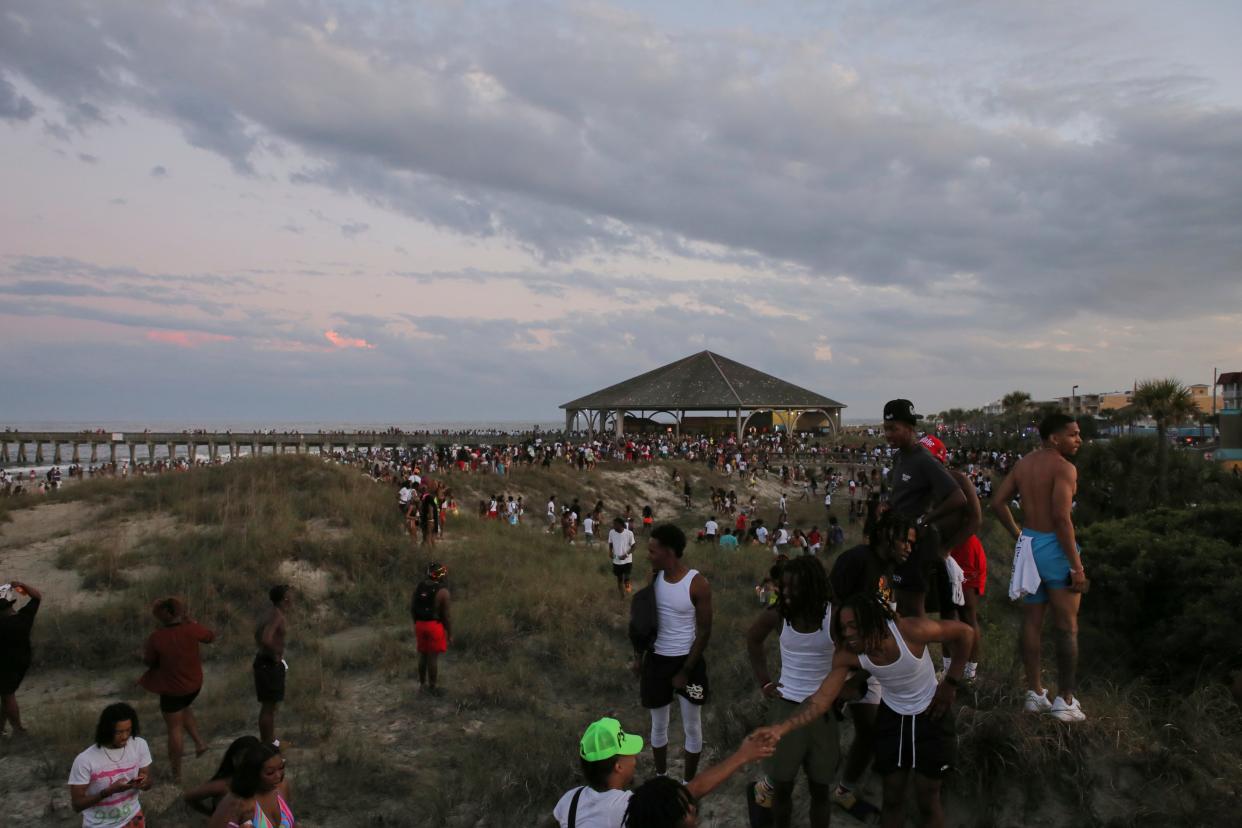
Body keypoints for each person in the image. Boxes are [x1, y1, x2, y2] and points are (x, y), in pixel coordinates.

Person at [753, 594, 974, 828]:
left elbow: (965, 633)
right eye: (843, 627)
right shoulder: (849, 654)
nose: (847, 633)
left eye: (853, 626)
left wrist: (950, 683)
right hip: (893, 718)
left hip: (931, 713)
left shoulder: (910, 631)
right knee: (891, 796)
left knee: (927, 798)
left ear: (872, 622)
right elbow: (820, 701)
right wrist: (783, 727)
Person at [991, 412, 1087, 722]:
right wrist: (1077, 566)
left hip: (1029, 545)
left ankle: (1034, 693)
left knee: (1032, 621)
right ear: (1054, 438)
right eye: (1073, 434)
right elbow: (1061, 518)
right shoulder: (1064, 468)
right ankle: (1065, 700)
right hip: (1055, 549)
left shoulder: (1024, 464)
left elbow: (997, 503)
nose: (1079, 439)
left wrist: (1019, 535)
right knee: (1067, 626)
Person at [823, 510, 916, 818]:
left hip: (869, 664)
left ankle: (844, 791)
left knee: (870, 730)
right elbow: (832, 605)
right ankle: (779, 784)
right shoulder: (857, 559)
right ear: (888, 536)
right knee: (818, 727)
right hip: (842, 659)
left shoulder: (890, 571)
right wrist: (843, 668)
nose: (908, 548)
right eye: (905, 541)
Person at [745, 557, 838, 828]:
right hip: (786, 708)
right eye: (783, 587)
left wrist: (844, 689)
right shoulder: (778, 615)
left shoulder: (834, 615)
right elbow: (753, 639)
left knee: (820, 790)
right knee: (781, 787)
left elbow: (854, 657)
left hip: (823, 712)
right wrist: (764, 682)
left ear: (811, 586)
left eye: (793, 588)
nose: (785, 593)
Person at [635, 524, 712, 781]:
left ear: (668, 552)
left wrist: (685, 671)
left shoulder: (697, 584)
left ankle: (688, 783)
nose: (649, 555)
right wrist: (639, 657)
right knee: (658, 725)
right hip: (656, 661)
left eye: (652, 550)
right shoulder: (655, 578)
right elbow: (646, 620)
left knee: (692, 726)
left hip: (686, 662)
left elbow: (704, 632)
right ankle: (661, 777)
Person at [881, 400, 967, 618]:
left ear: (910, 429)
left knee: (914, 607)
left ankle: (922, 650)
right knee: (898, 603)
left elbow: (958, 497)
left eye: (893, 429)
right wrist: (887, 506)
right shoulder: (900, 456)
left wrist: (925, 519)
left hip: (917, 544)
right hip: (898, 539)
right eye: (885, 429)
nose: (888, 434)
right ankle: (906, 648)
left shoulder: (924, 460)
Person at [919, 435, 986, 679]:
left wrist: (948, 548)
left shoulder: (958, 479)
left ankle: (969, 672)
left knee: (967, 611)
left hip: (963, 549)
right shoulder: (922, 484)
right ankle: (948, 668)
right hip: (938, 551)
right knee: (947, 611)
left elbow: (976, 519)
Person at [137, 597, 215, 781]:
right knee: (184, 707)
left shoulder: (157, 638)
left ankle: (176, 775)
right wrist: (194, 623)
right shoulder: (191, 629)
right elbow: (210, 636)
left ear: (162, 616)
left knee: (174, 728)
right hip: (194, 684)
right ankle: (199, 743)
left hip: (172, 688)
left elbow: (149, 662)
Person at [621, 735, 774, 828]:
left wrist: (742, 755)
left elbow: (694, 789)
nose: (693, 807)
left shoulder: (646, 814)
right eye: (685, 811)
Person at [68, 702, 153, 828]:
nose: (125, 736)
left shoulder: (139, 745)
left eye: (128, 730)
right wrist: (108, 792)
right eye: (119, 732)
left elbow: (147, 780)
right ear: (106, 730)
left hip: (134, 819)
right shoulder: (85, 760)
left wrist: (144, 783)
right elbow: (77, 805)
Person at [548, 717, 645, 827]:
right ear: (618, 766)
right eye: (630, 753)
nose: (634, 759)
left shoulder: (570, 799)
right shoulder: (631, 808)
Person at [207, 741, 294, 828]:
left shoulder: (282, 786)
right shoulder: (237, 802)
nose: (278, 776)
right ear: (253, 774)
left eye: (281, 767)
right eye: (270, 772)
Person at [0, 579, 42, 736]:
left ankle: (18, 729)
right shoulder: (23, 618)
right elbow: (37, 596)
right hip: (22, 660)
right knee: (6, 695)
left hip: (4, 664)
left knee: (7, 695)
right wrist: (20, 586)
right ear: (11, 604)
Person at [184, 735, 264, 816]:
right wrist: (209, 814)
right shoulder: (224, 785)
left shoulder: (261, 780)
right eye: (245, 759)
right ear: (234, 760)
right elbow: (188, 796)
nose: (249, 763)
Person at [254, 585, 292, 745]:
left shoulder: (269, 613)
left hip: (263, 662)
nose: (292, 599)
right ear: (285, 599)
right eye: (289, 596)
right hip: (269, 664)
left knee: (269, 707)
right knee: (268, 708)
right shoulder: (277, 616)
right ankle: (268, 744)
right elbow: (265, 638)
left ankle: (271, 741)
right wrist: (276, 655)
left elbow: (258, 636)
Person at [412, 562, 452, 693]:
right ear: (440, 575)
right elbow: (446, 616)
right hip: (434, 626)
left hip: (420, 625)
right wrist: (450, 633)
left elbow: (413, 608)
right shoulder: (443, 592)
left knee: (422, 655)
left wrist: (416, 624)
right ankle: (433, 686)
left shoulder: (419, 587)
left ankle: (422, 684)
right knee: (432, 658)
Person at [608, 518, 637, 598]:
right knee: (619, 579)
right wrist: (610, 551)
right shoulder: (611, 532)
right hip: (616, 561)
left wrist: (626, 554)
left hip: (627, 561)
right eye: (613, 524)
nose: (613, 526)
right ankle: (622, 596)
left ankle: (628, 592)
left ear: (620, 525)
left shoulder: (629, 533)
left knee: (627, 579)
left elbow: (634, 547)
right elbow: (610, 543)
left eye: (615, 524)